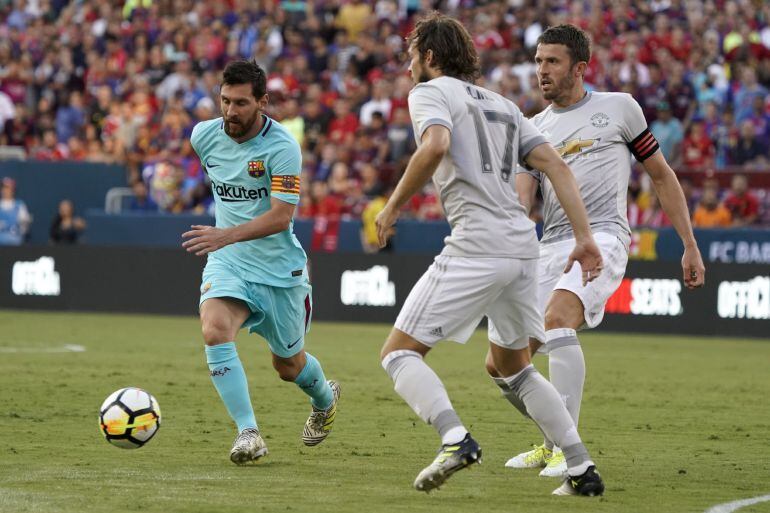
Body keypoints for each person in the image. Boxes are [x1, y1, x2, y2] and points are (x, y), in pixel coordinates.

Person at [375, 13, 605, 497]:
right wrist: (585, 237)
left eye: (413, 54)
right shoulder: (504, 105)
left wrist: (392, 205)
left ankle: (454, 438)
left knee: (398, 353)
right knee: (514, 366)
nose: (409, 63)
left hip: (477, 243)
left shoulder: (429, 93)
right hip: (522, 246)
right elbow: (557, 166)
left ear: (431, 57)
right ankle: (581, 468)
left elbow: (435, 143)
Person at [505, 24, 705, 478]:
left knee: (558, 320)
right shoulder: (532, 129)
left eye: (551, 61)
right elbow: (522, 202)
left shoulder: (618, 108)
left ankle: (565, 450)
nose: (541, 71)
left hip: (602, 238)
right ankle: (551, 440)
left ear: (579, 68)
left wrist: (690, 244)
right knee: (510, 358)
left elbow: (661, 175)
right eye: (538, 61)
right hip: (549, 245)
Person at [182, 60, 340, 465]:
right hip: (229, 262)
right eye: (224, 101)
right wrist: (225, 241)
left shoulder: (283, 147)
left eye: (240, 103)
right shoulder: (204, 136)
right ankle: (248, 432)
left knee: (288, 366)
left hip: (279, 271)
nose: (230, 111)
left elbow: (280, 217)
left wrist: (224, 233)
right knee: (215, 330)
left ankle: (325, 398)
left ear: (262, 102)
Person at [0, 177, 31, 246]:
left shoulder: (19, 205)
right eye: (3, 188)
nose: (5, 191)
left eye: (8, 188)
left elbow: (24, 225)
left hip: (14, 241)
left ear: (13, 190)